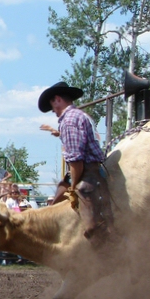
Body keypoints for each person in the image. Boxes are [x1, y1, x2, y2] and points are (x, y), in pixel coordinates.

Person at [38, 81, 114, 244]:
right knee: (56, 201)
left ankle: (105, 245)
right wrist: (57, 132)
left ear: (57, 99)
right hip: (91, 171)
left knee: (91, 227)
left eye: (52, 104)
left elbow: (76, 161)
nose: (52, 110)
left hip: (87, 175)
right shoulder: (79, 116)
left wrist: (73, 188)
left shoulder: (69, 121)